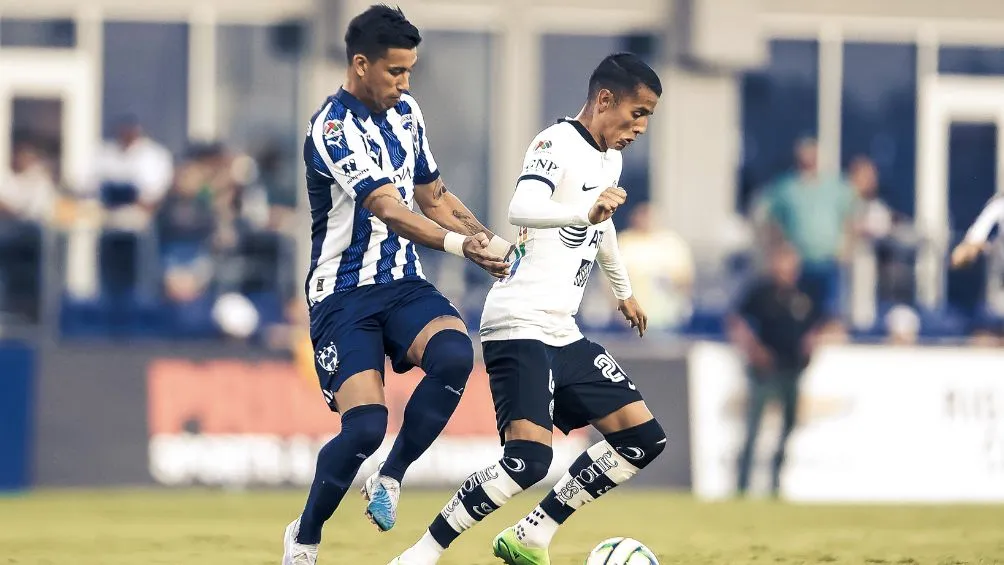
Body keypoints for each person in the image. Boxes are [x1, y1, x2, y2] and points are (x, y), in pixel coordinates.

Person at [387, 52, 668, 565]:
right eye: (638, 113)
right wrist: (586, 208)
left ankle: (533, 533)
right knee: (528, 461)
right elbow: (522, 208)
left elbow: (600, 228)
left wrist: (623, 290)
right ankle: (421, 554)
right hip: (518, 321)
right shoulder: (554, 143)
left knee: (642, 439)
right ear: (605, 99)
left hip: (562, 329)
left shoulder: (611, 157)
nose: (641, 127)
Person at [281, 5, 513, 565]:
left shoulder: (407, 114)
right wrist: (460, 248)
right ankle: (305, 536)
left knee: (456, 355)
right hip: (342, 297)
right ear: (360, 65)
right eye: (395, 72)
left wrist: (488, 239)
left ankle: (391, 475)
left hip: (403, 283)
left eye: (409, 71)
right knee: (364, 426)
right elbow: (387, 206)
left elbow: (431, 196)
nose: (405, 83)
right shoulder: (332, 129)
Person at [727, 243, 824, 498]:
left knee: (789, 426)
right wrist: (753, 348)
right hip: (765, 370)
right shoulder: (760, 293)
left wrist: (812, 342)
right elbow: (736, 321)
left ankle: (775, 484)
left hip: (793, 369)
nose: (785, 270)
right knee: (753, 428)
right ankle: (742, 486)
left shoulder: (804, 295)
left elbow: (822, 324)